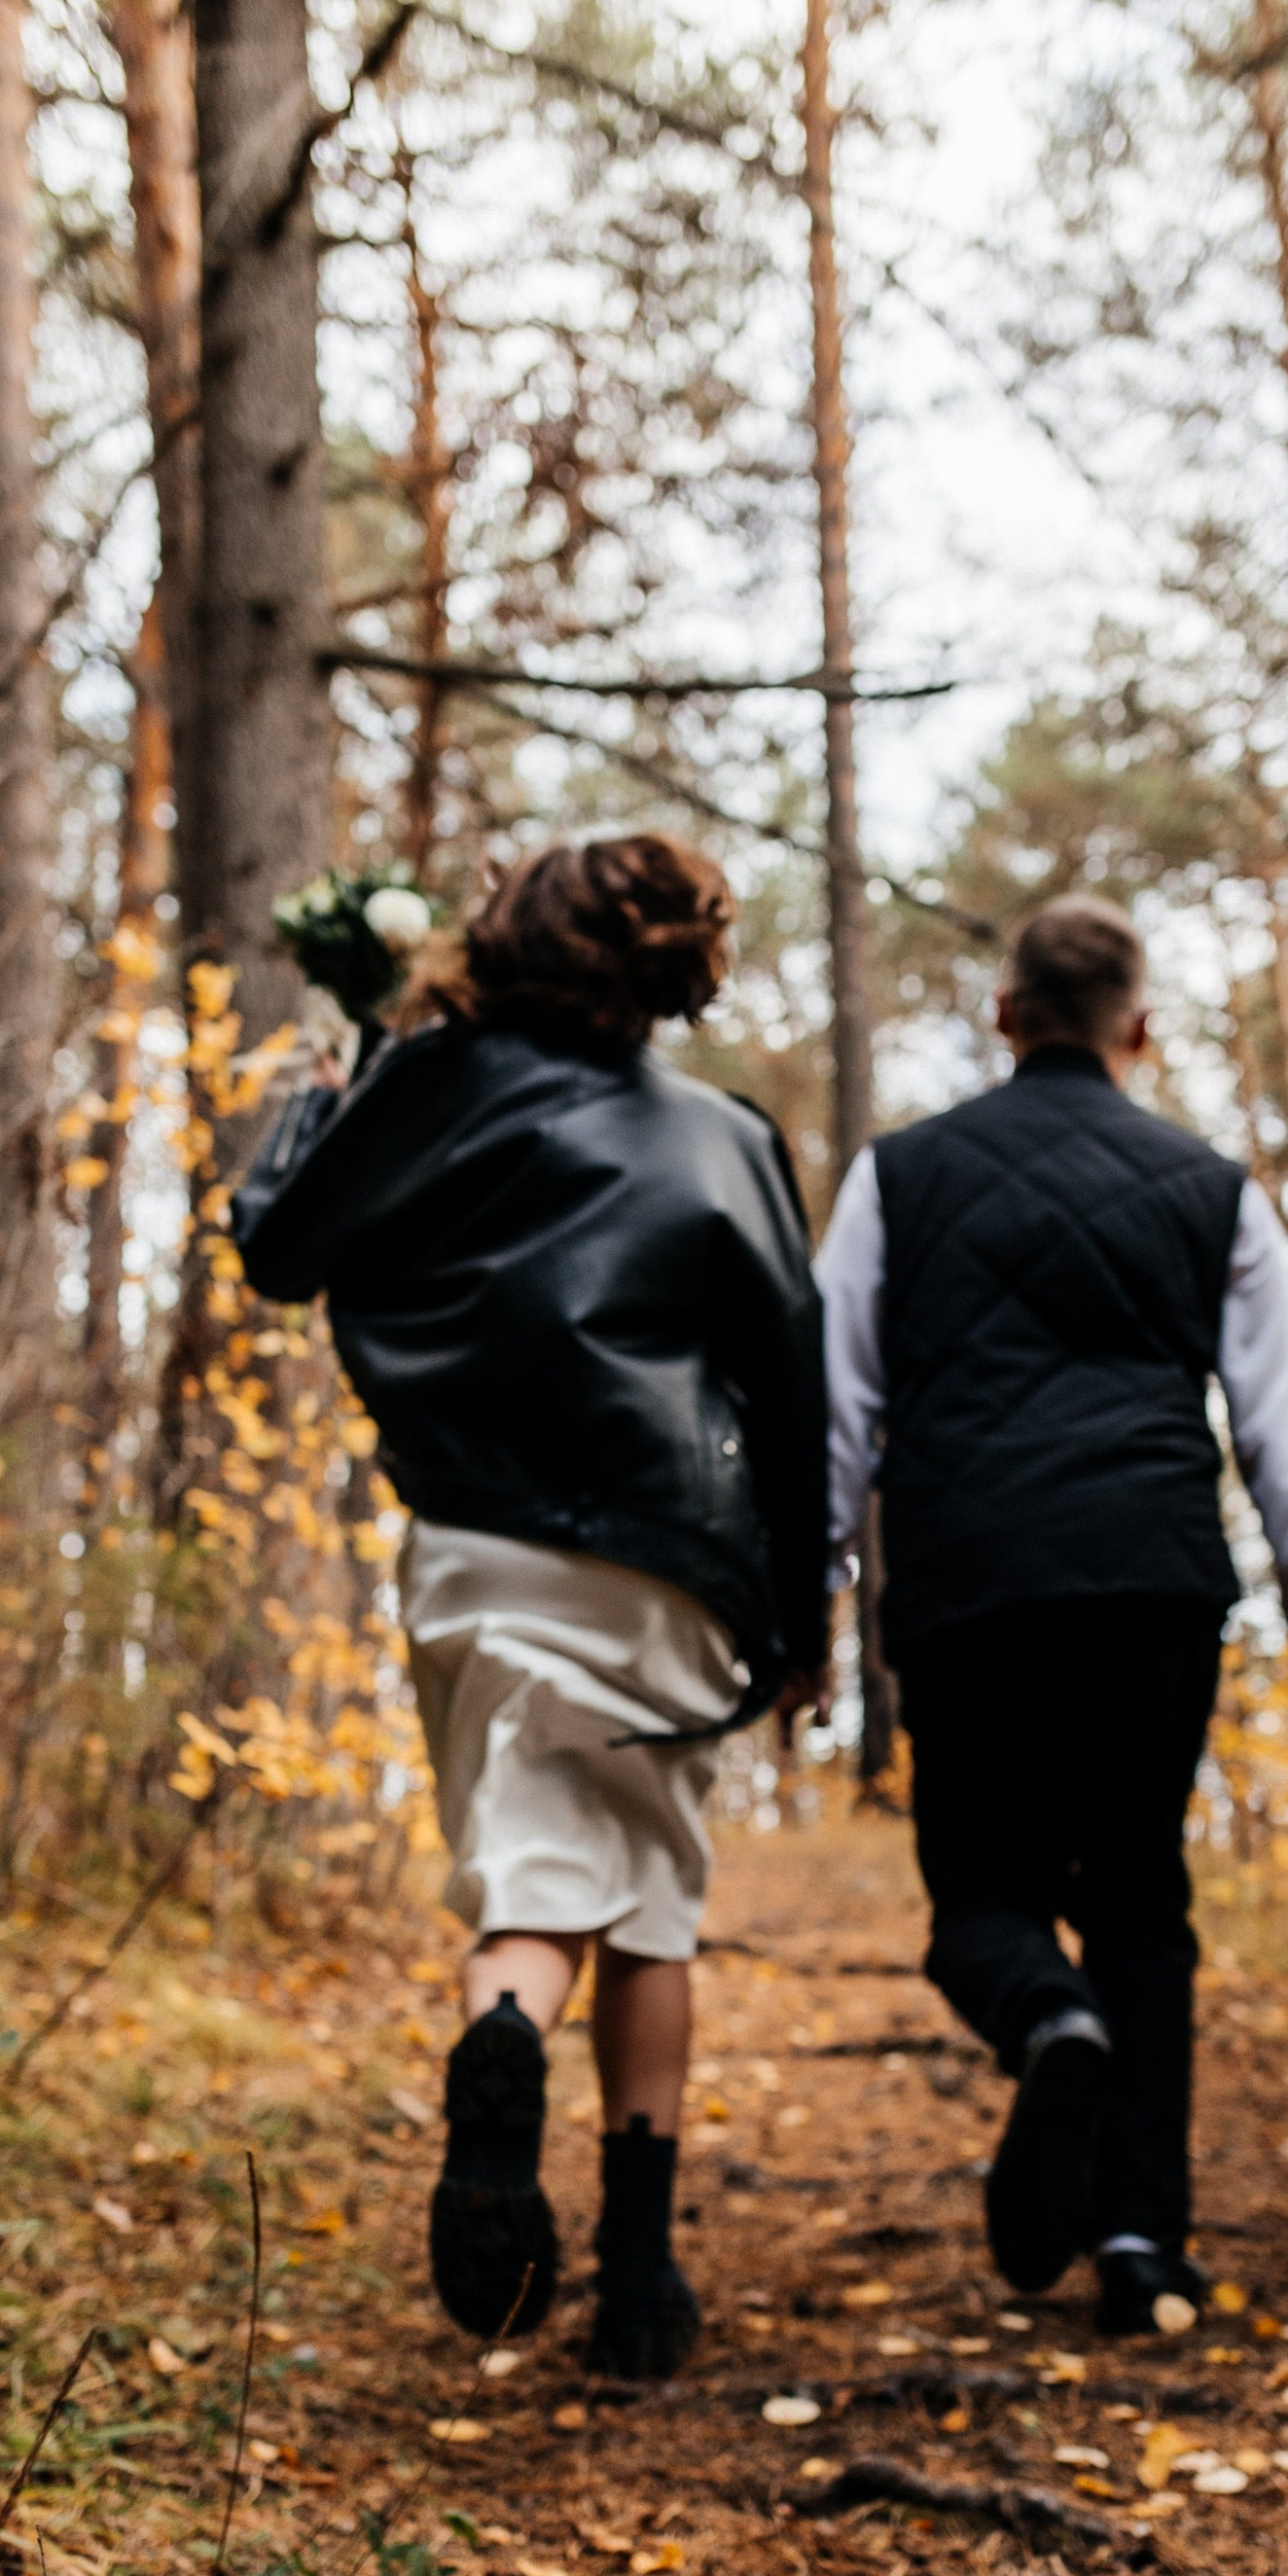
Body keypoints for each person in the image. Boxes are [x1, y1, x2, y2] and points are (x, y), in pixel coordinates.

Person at [234, 833, 828, 2379]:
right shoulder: (727, 1138)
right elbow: (793, 1386)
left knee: (531, 1866)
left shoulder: (425, 1087)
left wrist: (323, 1091)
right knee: (654, 1898)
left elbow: (281, 1253)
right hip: (674, 1551)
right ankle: (639, 2281)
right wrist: (809, 1609)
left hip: (480, 1540)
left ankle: (507, 2033)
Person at [816, 892, 1288, 2338]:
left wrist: (810, 1593)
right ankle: (1139, 2240)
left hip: (974, 1583)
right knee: (1140, 1900)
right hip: (1155, 1585)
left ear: (1003, 1017)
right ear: (1139, 1030)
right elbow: (1282, 1439)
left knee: (982, 1906)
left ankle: (1046, 2021)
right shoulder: (1214, 1190)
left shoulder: (901, 1177)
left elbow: (839, 1406)